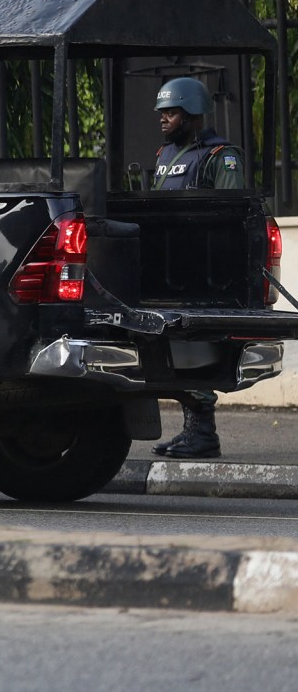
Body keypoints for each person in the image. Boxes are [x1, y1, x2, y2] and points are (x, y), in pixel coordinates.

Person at [148, 76, 242, 459]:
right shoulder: (165, 156)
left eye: (170, 112)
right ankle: (195, 431)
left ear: (192, 114)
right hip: (170, 267)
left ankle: (203, 433)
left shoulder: (221, 156)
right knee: (174, 349)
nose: (163, 119)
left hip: (203, 271)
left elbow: (231, 213)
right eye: (162, 113)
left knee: (197, 349)